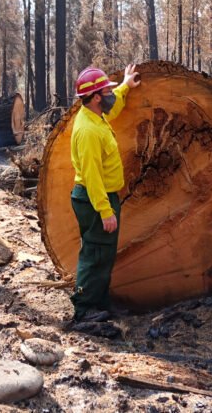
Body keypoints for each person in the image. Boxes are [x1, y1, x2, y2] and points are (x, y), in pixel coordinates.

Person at [69, 63, 140, 323]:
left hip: (102, 198)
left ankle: (100, 301)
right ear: (96, 97)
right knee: (94, 254)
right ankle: (83, 307)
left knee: (104, 253)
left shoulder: (95, 116)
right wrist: (105, 210)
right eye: (106, 91)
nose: (110, 94)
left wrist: (125, 86)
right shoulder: (87, 130)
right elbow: (92, 176)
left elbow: (114, 106)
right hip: (93, 198)